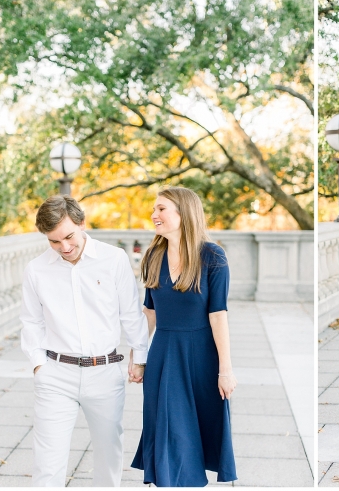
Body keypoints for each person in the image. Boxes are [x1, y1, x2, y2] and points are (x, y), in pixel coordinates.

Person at [20, 195, 149, 486]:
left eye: (68, 236)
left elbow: (131, 314)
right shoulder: (36, 270)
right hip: (55, 375)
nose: (64, 248)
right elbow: (31, 321)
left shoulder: (113, 259)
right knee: (47, 464)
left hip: (104, 372)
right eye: (54, 241)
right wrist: (39, 367)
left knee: (108, 458)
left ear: (81, 223)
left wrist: (139, 358)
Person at [131, 187, 237, 486]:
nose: (154, 215)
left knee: (196, 432)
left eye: (161, 209)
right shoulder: (153, 255)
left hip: (202, 356)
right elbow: (149, 312)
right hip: (164, 355)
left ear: (183, 212)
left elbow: (218, 314)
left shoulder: (212, 256)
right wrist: (137, 358)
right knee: (168, 430)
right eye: (154, 209)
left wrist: (225, 370)